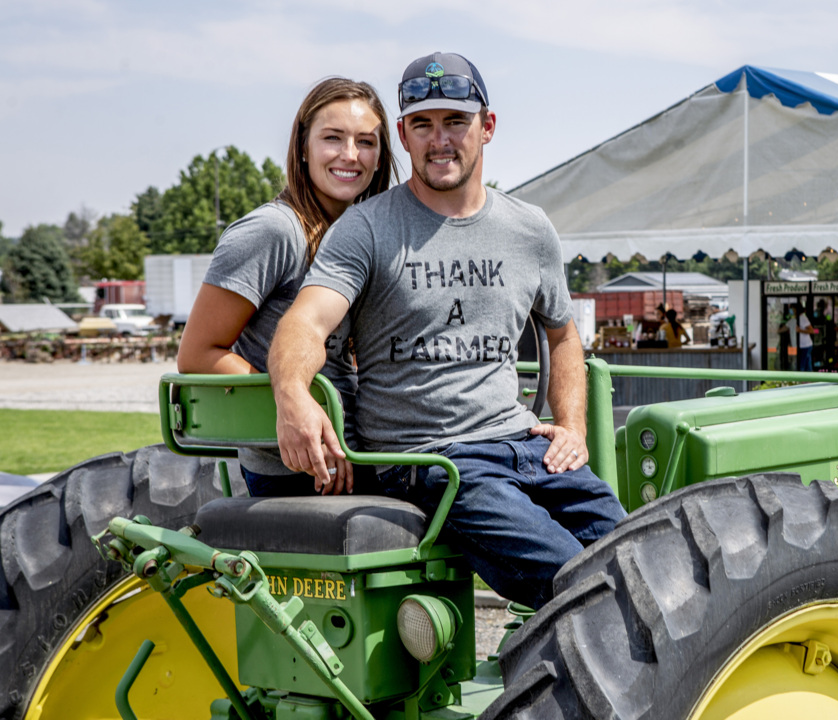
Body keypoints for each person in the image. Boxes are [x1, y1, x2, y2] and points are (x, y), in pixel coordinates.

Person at [268, 52, 625, 609]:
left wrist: (573, 428)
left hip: (527, 446)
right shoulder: (367, 228)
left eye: (456, 121)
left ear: (487, 126)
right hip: (432, 462)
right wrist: (291, 395)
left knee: (645, 555)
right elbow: (305, 321)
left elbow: (562, 335)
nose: (439, 140)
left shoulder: (530, 229)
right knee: (580, 584)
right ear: (403, 136)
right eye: (423, 124)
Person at [177, 77, 398, 497]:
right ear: (303, 147)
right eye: (333, 138)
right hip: (300, 467)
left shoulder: (359, 234)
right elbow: (197, 354)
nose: (350, 154)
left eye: (366, 142)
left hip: (361, 452)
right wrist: (299, 406)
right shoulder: (273, 231)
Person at [795, 303, 817, 371]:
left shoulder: (802, 318)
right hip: (804, 346)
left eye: (792, 308)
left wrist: (800, 330)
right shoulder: (798, 318)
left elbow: (812, 331)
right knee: (807, 365)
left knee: (802, 365)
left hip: (805, 346)